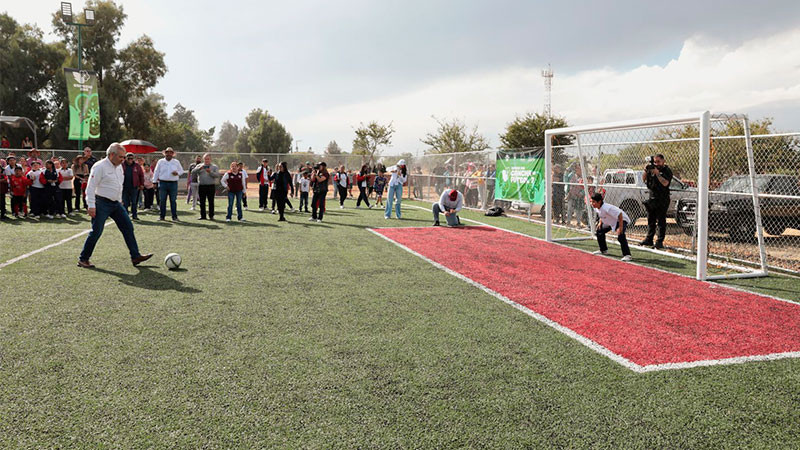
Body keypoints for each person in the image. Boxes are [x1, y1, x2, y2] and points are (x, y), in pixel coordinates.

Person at [78, 143, 154, 268]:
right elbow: (90, 187)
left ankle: (135, 256)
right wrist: (91, 205)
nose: (123, 160)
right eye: (121, 157)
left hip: (116, 204)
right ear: (111, 155)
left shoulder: (119, 167)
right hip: (101, 203)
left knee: (128, 227)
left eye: (124, 157)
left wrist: (119, 200)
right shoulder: (99, 166)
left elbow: (119, 184)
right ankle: (83, 259)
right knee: (97, 231)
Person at [640, 154, 673, 249]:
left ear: (663, 161)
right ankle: (649, 239)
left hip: (662, 198)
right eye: (655, 162)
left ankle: (659, 241)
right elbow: (643, 179)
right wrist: (646, 170)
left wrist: (657, 173)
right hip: (652, 197)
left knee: (661, 221)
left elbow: (665, 183)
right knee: (651, 220)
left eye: (658, 161)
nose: (656, 163)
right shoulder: (651, 169)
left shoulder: (667, 170)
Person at [591, 193, 632, 261]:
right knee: (599, 231)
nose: (592, 203)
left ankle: (627, 255)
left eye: (594, 202)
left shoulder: (607, 208)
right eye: (591, 201)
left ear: (599, 202)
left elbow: (620, 214)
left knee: (620, 236)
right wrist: (600, 222)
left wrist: (620, 227)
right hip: (611, 222)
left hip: (621, 220)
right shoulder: (597, 207)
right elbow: (602, 214)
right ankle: (603, 250)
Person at [152, 147, 184, 221]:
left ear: (173, 154)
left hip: (173, 183)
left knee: (173, 200)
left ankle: (174, 217)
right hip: (163, 183)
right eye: (167, 152)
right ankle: (162, 216)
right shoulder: (160, 161)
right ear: (165, 153)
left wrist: (177, 173)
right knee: (162, 200)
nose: (169, 154)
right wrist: (154, 182)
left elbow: (181, 171)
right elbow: (156, 172)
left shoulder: (176, 162)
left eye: (170, 152)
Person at [192, 153, 220, 220]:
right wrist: (199, 169)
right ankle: (203, 216)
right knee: (202, 202)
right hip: (201, 186)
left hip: (211, 186)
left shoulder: (214, 166)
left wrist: (210, 172)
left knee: (211, 201)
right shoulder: (199, 165)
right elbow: (193, 172)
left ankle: (211, 216)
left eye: (208, 159)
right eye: (205, 159)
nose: (206, 160)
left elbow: (217, 175)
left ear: (210, 159)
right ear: (203, 159)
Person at [122, 153, 144, 220]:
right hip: (124, 186)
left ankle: (134, 215)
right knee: (125, 202)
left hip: (134, 186)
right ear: (125, 158)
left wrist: (141, 184)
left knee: (134, 202)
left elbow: (141, 175)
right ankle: (125, 215)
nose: (130, 160)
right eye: (129, 158)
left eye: (132, 158)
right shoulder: (121, 165)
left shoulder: (137, 166)